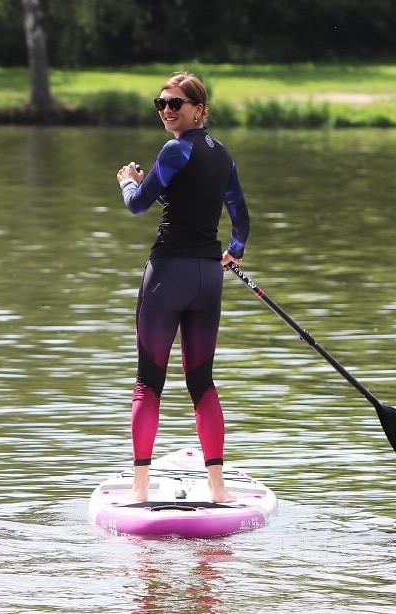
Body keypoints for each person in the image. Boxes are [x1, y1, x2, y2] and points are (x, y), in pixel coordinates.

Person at [114, 71, 251, 504]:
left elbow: (138, 204)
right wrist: (234, 251)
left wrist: (128, 181)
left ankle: (139, 492)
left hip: (168, 275)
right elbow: (241, 217)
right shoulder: (222, 154)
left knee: (147, 382)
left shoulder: (175, 149)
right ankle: (219, 491)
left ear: (199, 110)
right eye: (162, 104)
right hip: (208, 278)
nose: (167, 111)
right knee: (202, 383)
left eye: (176, 104)